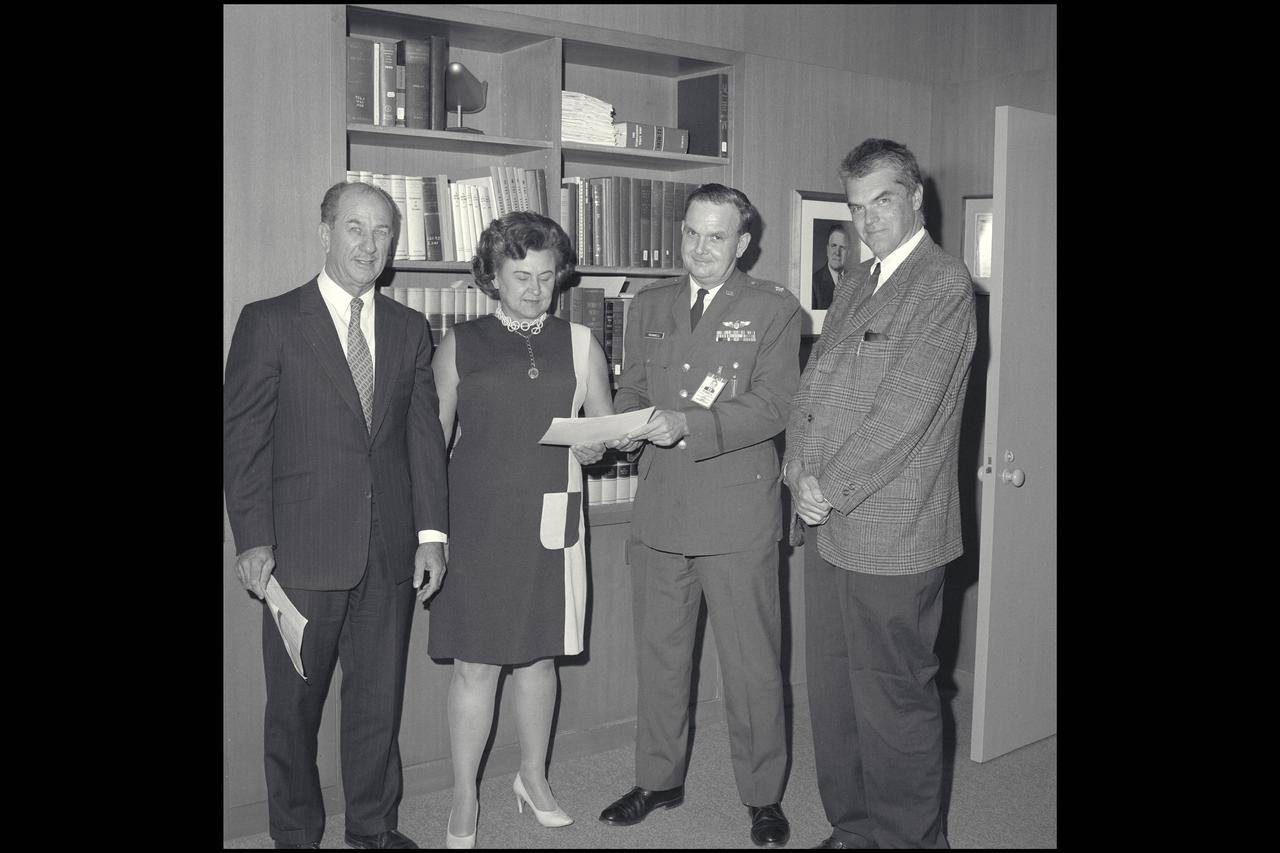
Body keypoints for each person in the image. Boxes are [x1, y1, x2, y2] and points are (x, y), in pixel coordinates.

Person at [224, 180, 449, 850]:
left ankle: (374, 827)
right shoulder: (270, 321)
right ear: (324, 233)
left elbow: (422, 436)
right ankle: (295, 833)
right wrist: (253, 539)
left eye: (382, 232)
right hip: (300, 551)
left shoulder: (411, 327)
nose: (369, 244)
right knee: (293, 710)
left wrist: (432, 534)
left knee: (377, 703)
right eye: (354, 228)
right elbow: (243, 442)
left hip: (390, 551)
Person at [782, 138, 976, 849]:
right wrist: (797, 470)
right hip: (827, 524)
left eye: (882, 201)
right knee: (835, 696)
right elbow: (814, 388)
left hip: (896, 534)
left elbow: (904, 413)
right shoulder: (860, 281)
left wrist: (826, 487)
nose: (868, 220)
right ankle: (855, 828)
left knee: (894, 703)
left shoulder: (943, 284)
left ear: (915, 196)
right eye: (857, 208)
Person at [600, 183, 800, 848]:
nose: (700, 248)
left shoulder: (772, 308)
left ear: (744, 243)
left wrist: (685, 422)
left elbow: (776, 405)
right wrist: (622, 426)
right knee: (660, 658)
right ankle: (659, 778)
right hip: (661, 511)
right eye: (691, 233)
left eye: (717, 236)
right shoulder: (651, 303)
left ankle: (762, 795)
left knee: (751, 666)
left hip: (737, 513)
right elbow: (632, 386)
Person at [425, 211, 614, 849]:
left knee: (539, 658)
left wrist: (597, 449)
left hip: (552, 519)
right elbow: (433, 444)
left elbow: (603, 430)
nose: (535, 289)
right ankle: (464, 797)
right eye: (520, 275)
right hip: (475, 522)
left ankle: (533, 779)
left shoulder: (584, 342)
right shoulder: (459, 344)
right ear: (493, 276)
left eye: (546, 275)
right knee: (476, 665)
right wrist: (431, 532)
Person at [811, 223, 850, 310]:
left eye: (842, 247)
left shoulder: (856, 281)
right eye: (833, 246)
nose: (837, 252)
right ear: (827, 250)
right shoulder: (813, 283)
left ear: (848, 253)